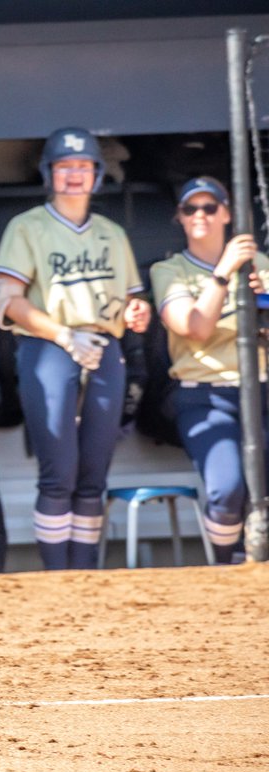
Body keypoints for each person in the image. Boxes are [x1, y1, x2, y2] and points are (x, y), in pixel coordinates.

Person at [0, 127, 152, 570]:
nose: (75, 175)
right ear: (49, 173)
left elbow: (132, 298)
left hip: (104, 345)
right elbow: (8, 300)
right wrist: (63, 336)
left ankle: (84, 574)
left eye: (83, 166)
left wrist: (138, 313)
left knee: (93, 474)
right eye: (65, 166)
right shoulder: (27, 226)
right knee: (58, 473)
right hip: (49, 346)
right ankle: (57, 578)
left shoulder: (111, 233)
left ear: (97, 173)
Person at [149, 176, 269, 564]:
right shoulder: (170, 269)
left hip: (261, 389)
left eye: (209, 207)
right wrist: (223, 273)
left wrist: (264, 304)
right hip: (204, 394)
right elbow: (195, 328)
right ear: (180, 217)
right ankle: (225, 567)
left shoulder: (259, 264)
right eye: (190, 208)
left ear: (227, 214)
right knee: (227, 489)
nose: (200, 215)